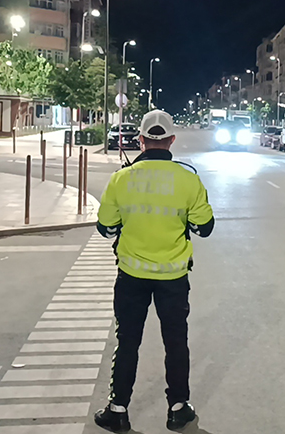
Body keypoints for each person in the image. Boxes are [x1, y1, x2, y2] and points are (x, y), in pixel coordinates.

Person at [94, 110, 215, 433]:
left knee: (128, 340)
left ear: (141, 140)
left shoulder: (122, 178)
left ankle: (117, 409)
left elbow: (105, 228)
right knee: (176, 341)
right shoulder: (188, 179)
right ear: (172, 140)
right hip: (174, 277)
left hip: (131, 275)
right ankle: (178, 409)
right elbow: (205, 228)